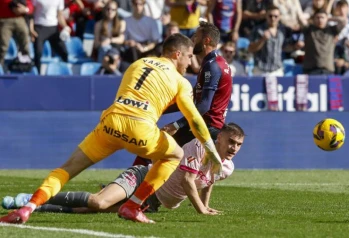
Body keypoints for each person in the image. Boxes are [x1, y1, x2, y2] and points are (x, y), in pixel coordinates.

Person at [0, 33, 222, 225]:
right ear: (177, 54)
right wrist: (211, 150)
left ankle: (27, 208)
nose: (190, 63)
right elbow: (194, 117)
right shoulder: (180, 81)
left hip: (110, 123)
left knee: (65, 170)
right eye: (189, 57)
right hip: (140, 129)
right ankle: (133, 206)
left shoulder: (138, 63)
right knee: (176, 154)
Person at [3, 123, 245, 215]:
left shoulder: (228, 167)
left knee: (87, 210)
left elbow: (209, 180)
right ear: (220, 138)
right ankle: (32, 198)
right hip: (144, 179)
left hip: (154, 202)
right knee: (98, 202)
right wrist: (201, 209)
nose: (234, 147)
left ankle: (36, 205)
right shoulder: (201, 147)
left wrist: (207, 202)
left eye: (239, 145)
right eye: (231, 142)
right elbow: (187, 181)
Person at [133, 21, 233, 166]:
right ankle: (134, 186)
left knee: (152, 148)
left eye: (196, 36)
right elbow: (189, 100)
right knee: (169, 161)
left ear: (206, 40)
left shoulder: (212, 66)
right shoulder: (213, 63)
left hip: (205, 127)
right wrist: (159, 110)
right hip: (204, 125)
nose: (192, 40)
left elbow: (203, 106)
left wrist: (177, 125)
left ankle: (127, 185)